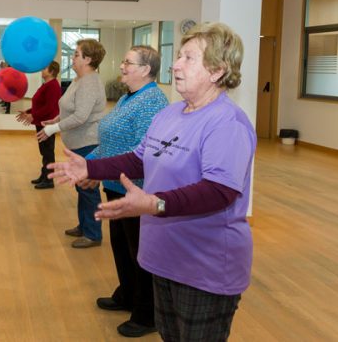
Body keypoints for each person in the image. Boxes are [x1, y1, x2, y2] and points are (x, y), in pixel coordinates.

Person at [49, 22, 256, 342]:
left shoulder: (227, 123)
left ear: (216, 70)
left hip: (203, 267)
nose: (175, 64)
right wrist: (90, 168)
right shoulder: (170, 114)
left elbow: (220, 191)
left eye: (189, 58)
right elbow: (138, 159)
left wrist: (156, 203)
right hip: (163, 257)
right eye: (179, 57)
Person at [87, 46, 168, 338]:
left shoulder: (152, 102)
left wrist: (96, 169)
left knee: (140, 252)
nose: (121, 66)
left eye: (128, 62)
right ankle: (128, 295)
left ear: (146, 70)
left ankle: (147, 314)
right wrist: (90, 165)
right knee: (122, 245)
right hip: (116, 185)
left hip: (138, 189)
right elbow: (112, 141)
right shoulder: (127, 97)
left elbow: (141, 154)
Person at [37, 39, 106, 248]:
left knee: (88, 188)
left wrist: (51, 129)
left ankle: (93, 234)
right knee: (81, 187)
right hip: (77, 143)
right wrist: (56, 120)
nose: (72, 58)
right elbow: (69, 109)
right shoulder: (78, 80)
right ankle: (84, 225)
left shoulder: (90, 82)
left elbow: (81, 117)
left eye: (76, 54)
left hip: (89, 143)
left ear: (88, 59)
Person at [16, 61, 62, 189]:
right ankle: (44, 176)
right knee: (44, 151)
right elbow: (40, 104)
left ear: (52, 71)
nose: (42, 69)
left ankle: (49, 180)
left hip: (47, 123)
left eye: (45, 68)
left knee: (48, 151)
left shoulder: (53, 86)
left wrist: (33, 116)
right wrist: (29, 111)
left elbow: (49, 107)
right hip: (41, 122)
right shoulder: (46, 85)